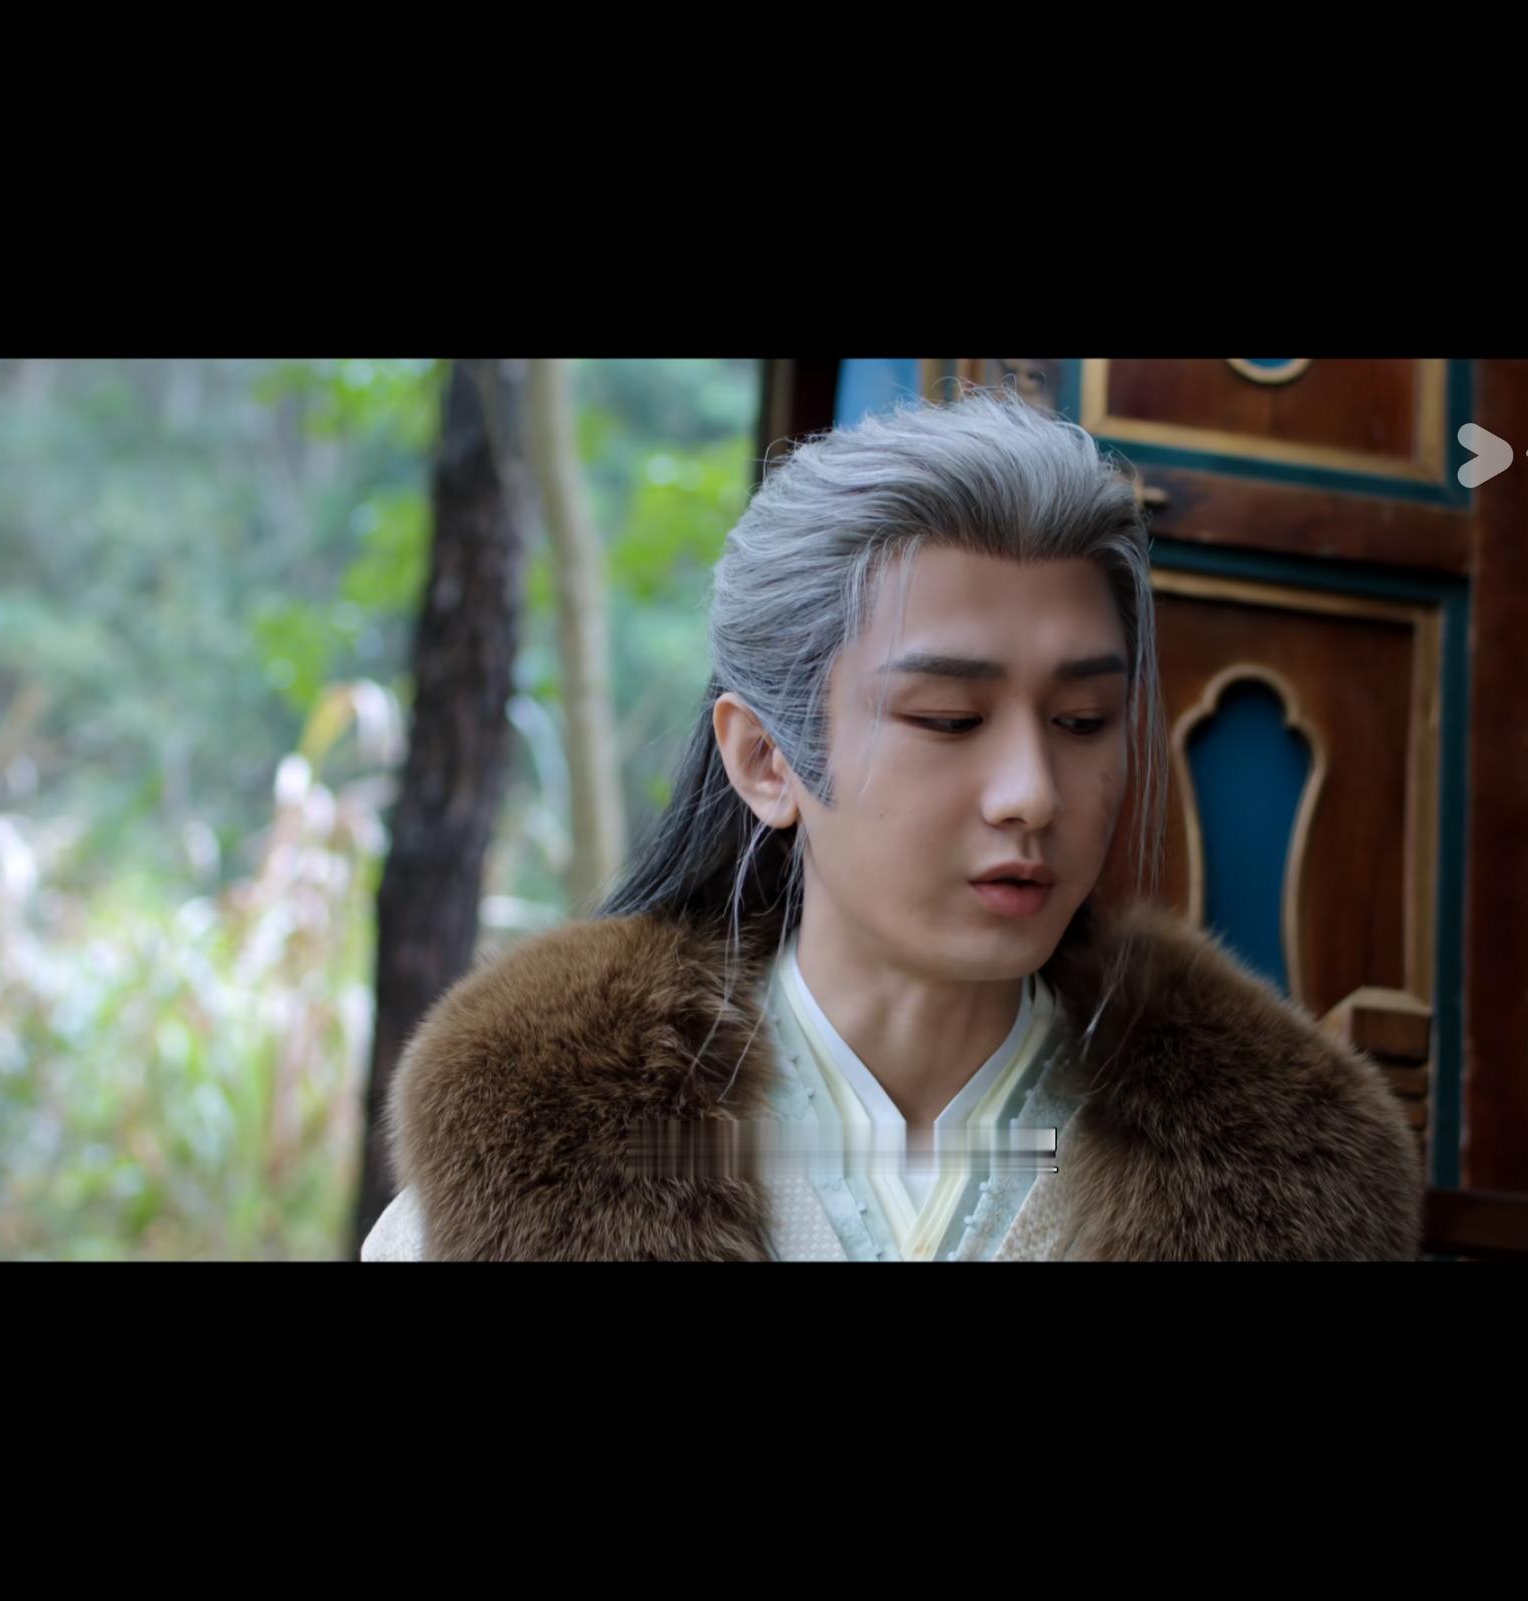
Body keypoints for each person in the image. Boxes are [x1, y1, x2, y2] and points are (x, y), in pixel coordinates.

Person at [361, 384, 1422, 1261]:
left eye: (1082, 721)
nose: (1033, 793)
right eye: (949, 718)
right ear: (766, 761)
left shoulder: (1285, 1194)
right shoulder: (520, 1186)